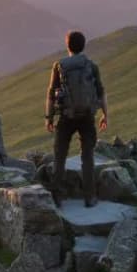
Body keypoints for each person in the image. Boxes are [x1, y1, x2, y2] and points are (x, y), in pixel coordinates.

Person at [44, 30, 109, 207]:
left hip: (66, 117)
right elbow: (101, 92)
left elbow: (51, 94)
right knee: (87, 157)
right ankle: (90, 197)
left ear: (68, 46)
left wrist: (48, 118)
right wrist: (105, 115)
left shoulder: (59, 65)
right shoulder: (91, 65)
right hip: (87, 117)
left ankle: (57, 197)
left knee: (60, 156)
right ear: (83, 45)